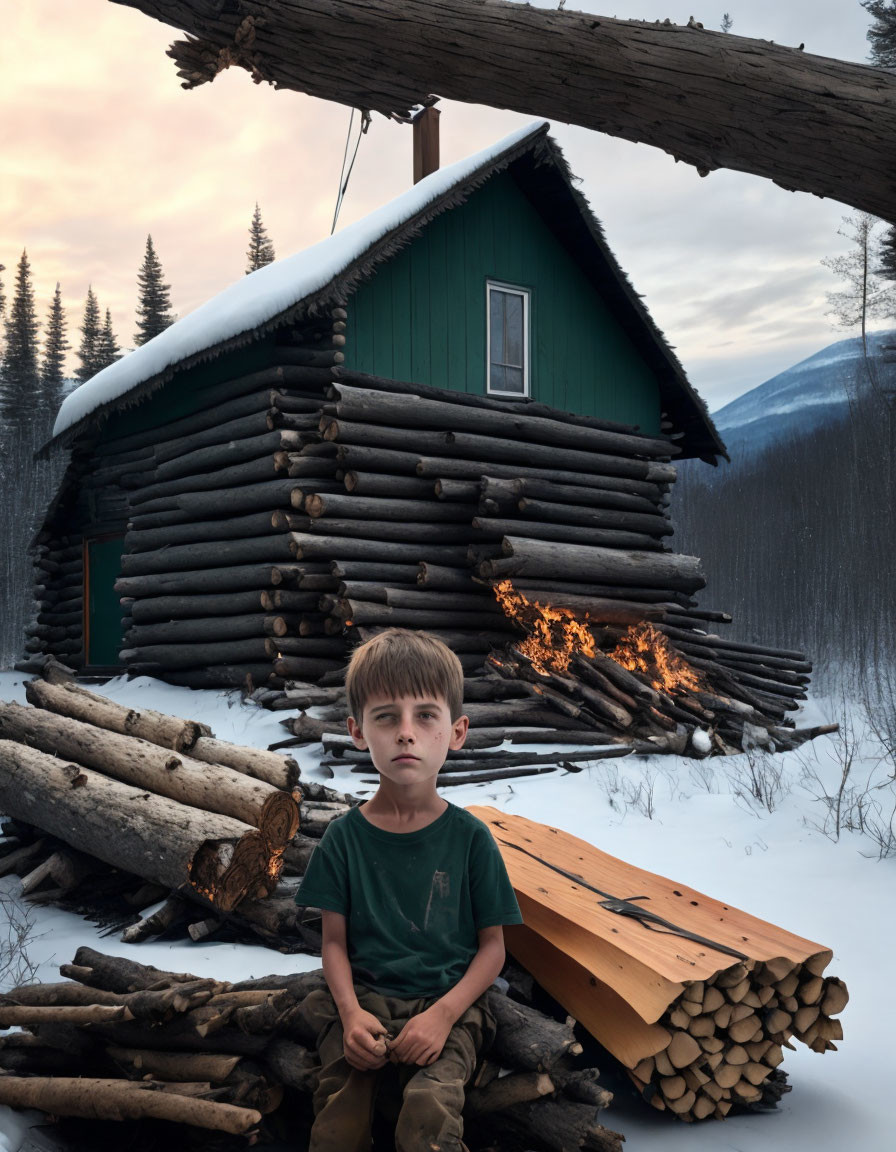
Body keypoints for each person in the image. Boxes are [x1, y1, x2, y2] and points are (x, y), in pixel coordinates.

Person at [295, 628, 523, 1152]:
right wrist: (351, 1015)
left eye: (425, 715)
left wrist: (443, 1016)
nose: (405, 733)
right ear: (357, 732)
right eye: (385, 716)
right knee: (339, 1117)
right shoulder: (344, 838)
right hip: (364, 1001)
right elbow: (333, 943)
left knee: (428, 1111)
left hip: (449, 1002)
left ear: (457, 731)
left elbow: (493, 949)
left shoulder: (470, 839)